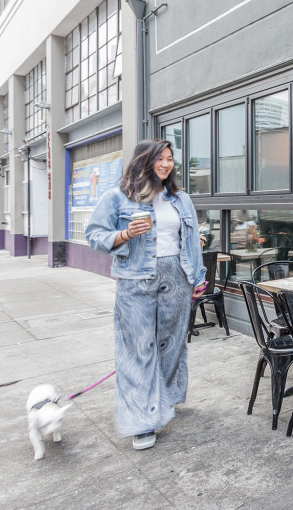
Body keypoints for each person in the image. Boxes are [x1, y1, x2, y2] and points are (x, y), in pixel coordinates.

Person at [85, 139, 207, 450]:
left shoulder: (181, 199)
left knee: (171, 345)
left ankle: (160, 403)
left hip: (177, 277)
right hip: (135, 278)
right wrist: (125, 234)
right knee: (139, 349)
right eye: (160, 159)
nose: (167, 164)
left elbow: (191, 242)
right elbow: (94, 234)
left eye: (170, 159)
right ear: (144, 160)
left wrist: (198, 278)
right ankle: (141, 420)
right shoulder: (118, 197)